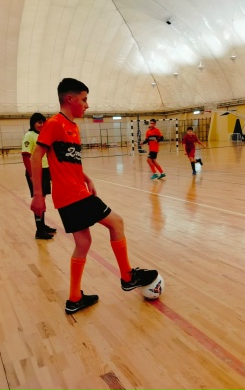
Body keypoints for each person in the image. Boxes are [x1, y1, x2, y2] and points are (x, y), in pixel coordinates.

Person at [30, 78, 158, 314]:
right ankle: (127, 276)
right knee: (116, 223)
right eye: (84, 99)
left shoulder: (73, 127)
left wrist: (85, 177)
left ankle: (74, 298)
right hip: (72, 194)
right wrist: (38, 194)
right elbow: (36, 156)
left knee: (83, 243)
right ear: (70, 99)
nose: (87, 105)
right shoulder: (54, 123)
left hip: (72, 192)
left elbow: (67, 161)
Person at [22, 113, 57, 240]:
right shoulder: (29, 135)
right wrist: (32, 175)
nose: (41, 125)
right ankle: (40, 230)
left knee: (43, 199)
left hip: (45, 171)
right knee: (38, 200)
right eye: (38, 122)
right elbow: (25, 156)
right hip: (36, 172)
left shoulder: (43, 135)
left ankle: (42, 226)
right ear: (33, 123)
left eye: (43, 122)